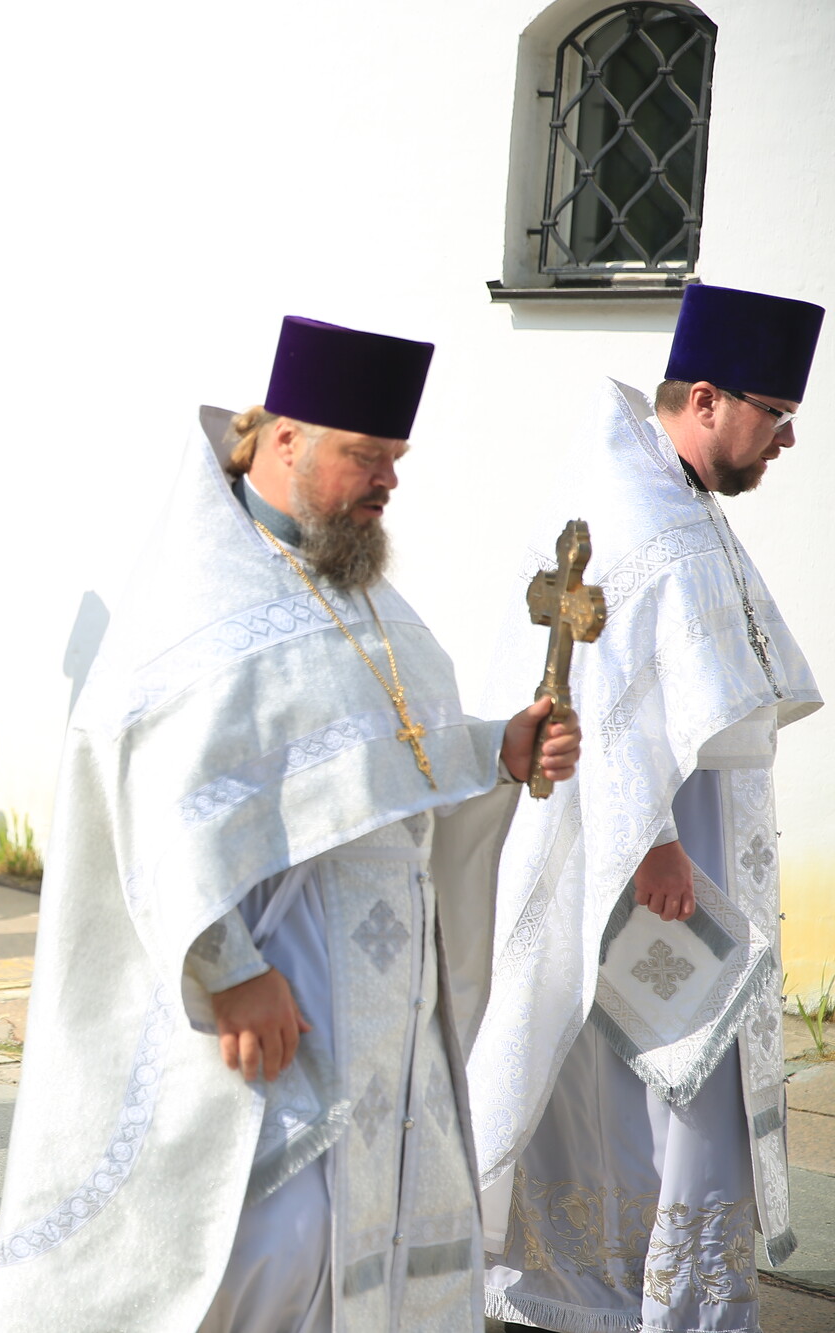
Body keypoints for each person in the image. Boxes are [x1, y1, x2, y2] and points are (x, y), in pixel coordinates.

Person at [0, 316, 581, 1332]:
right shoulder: (193, 602)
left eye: (395, 458)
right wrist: (229, 971)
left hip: (384, 1015)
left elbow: (384, 751)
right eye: (366, 456)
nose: (388, 480)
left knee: (371, 1244)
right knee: (265, 1251)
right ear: (284, 438)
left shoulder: (360, 593)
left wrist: (494, 753)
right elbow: (152, 818)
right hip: (272, 991)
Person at [472, 286, 822, 1333]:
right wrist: (654, 843)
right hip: (650, 848)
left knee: (652, 1079)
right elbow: (604, 694)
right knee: (681, 1077)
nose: (786, 440)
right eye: (774, 414)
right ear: (705, 399)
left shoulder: (675, 498)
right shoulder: (631, 515)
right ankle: (665, 1302)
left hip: (683, 831)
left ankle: (632, 1291)